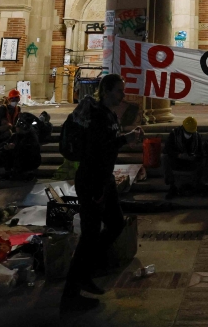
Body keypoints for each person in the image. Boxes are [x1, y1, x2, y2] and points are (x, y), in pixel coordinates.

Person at [63, 74, 143, 303]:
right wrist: (97, 189)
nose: (123, 95)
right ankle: (71, 294)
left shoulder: (107, 114)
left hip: (103, 179)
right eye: (119, 91)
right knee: (89, 235)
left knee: (116, 223)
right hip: (92, 180)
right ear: (106, 91)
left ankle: (88, 270)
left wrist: (126, 138)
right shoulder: (97, 115)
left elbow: (107, 144)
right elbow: (95, 153)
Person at [163, 116, 208, 198]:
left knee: (206, 159)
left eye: (191, 133)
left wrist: (194, 156)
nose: (190, 135)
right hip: (177, 161)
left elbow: (201, 152)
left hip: (192, 161)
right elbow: (167, 149)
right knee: (164, 158)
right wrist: (179, 155)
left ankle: (204, 184)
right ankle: (171, 184)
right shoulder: (174, 134)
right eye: (188, 133)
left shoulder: (196, 136)